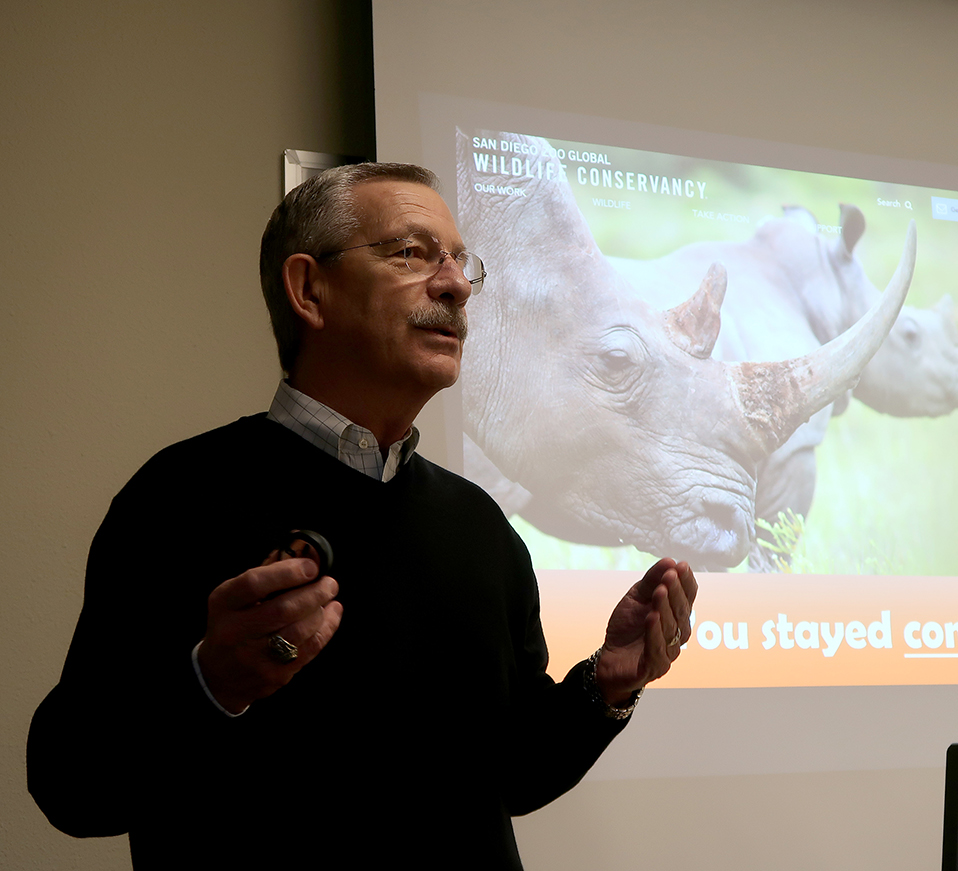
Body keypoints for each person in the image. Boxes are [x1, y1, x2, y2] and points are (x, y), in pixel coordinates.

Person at [27, 163, 697, 868]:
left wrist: (607, 684)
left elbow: (513, 774)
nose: (456, 285)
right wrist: (211, 683)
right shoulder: (180, 496)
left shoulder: (479, 525)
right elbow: (71, 786)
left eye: (461, 262)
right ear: (308, 289)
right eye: (411, 253)